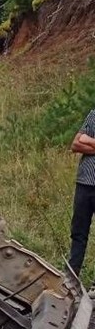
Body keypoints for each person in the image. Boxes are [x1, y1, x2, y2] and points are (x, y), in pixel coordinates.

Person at [68, 109, 95, 280]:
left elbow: (83, 141)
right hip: (84, 182)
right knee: (78, 233)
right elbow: (75, 145)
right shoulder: (94, 115)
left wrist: (89, 141)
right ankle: (70, 278)